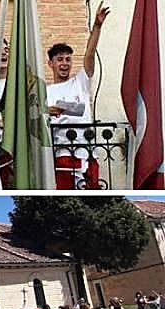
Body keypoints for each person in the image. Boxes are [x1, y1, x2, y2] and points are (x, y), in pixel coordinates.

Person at [46, 2, 110, 189]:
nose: (64, 63)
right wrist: (47, 111)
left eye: (68, 59)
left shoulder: (80, 82)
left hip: (88, 152)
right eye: (59, 60)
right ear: (50, 64)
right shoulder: (45, 92)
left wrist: (97, 27)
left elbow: (89, 56)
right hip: (63, 154)